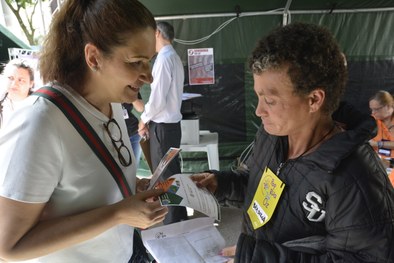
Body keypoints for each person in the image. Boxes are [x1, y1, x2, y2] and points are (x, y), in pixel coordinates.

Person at [192, 22, 394, 262]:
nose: (259, 111)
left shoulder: (355, 178)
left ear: (314, 100)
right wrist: (221, 184)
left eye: (270, 100)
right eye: (258, 96)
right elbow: (263, 187)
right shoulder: (273, 135)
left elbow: (365, 258)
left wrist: (259, 258)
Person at [0, 0, 168, 262]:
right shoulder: (39, 122)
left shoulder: (113, 104)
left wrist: (131, 188)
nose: (149, 76)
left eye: (149, 61)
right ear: (93, 57)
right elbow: (8, 247)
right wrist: (118, 214)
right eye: (136, 62)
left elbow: (86, 186)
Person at [139, 21, 186, 224]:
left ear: (157, 33)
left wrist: (143, 118)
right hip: (170, 126)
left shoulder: (165, 59)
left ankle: (173, 222)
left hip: (164, 127)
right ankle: (177, 218)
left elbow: (157, 99)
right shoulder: (172, 58)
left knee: (165, 176)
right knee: (170, 174)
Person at [0, 58, 35, 128]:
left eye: (21, 80)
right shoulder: (2, 102)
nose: (14, 84)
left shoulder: (36, 109)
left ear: (31, 84)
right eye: (10, 78)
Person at [368, 90, 394, 159]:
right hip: (377, 164)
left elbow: (373, 143)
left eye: (376, 109)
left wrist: (377, 144)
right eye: (371, 109)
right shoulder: (372, 120)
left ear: (388, 107)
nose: (373, 113)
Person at [123, 93, 144, 168]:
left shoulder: (130, 86)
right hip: (115, 135)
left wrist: (129, 93)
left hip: (133, 133)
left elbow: (141, 108)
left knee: (134, 167)